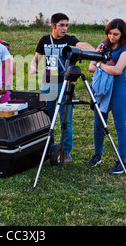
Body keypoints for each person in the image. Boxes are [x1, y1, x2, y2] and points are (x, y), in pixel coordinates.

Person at [30, 13, 95, 162]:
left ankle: (66, 152)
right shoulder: (45, 40)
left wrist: (95, 52)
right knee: (47, 118)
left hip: (64, 84)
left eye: (66, 25)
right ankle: (50, 149)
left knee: (66, 120)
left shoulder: (70, 40)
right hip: (47, 83)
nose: (65, 28)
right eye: (61, 25)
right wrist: (33, 67)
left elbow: (82, 45)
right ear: (53, 25)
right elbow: (36, 59)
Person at [87, 18, 126, 174]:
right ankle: (97, 155)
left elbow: (118, 70)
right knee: (98, 124)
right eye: (109, 33)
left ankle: (122, 161)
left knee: (120, 125)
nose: (112, 37)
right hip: (102, 91)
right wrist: (98, 56)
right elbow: (91, 67)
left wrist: (100, 65)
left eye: (115, 34)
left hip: (118, 91)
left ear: (122, 34)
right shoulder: (104, 45)